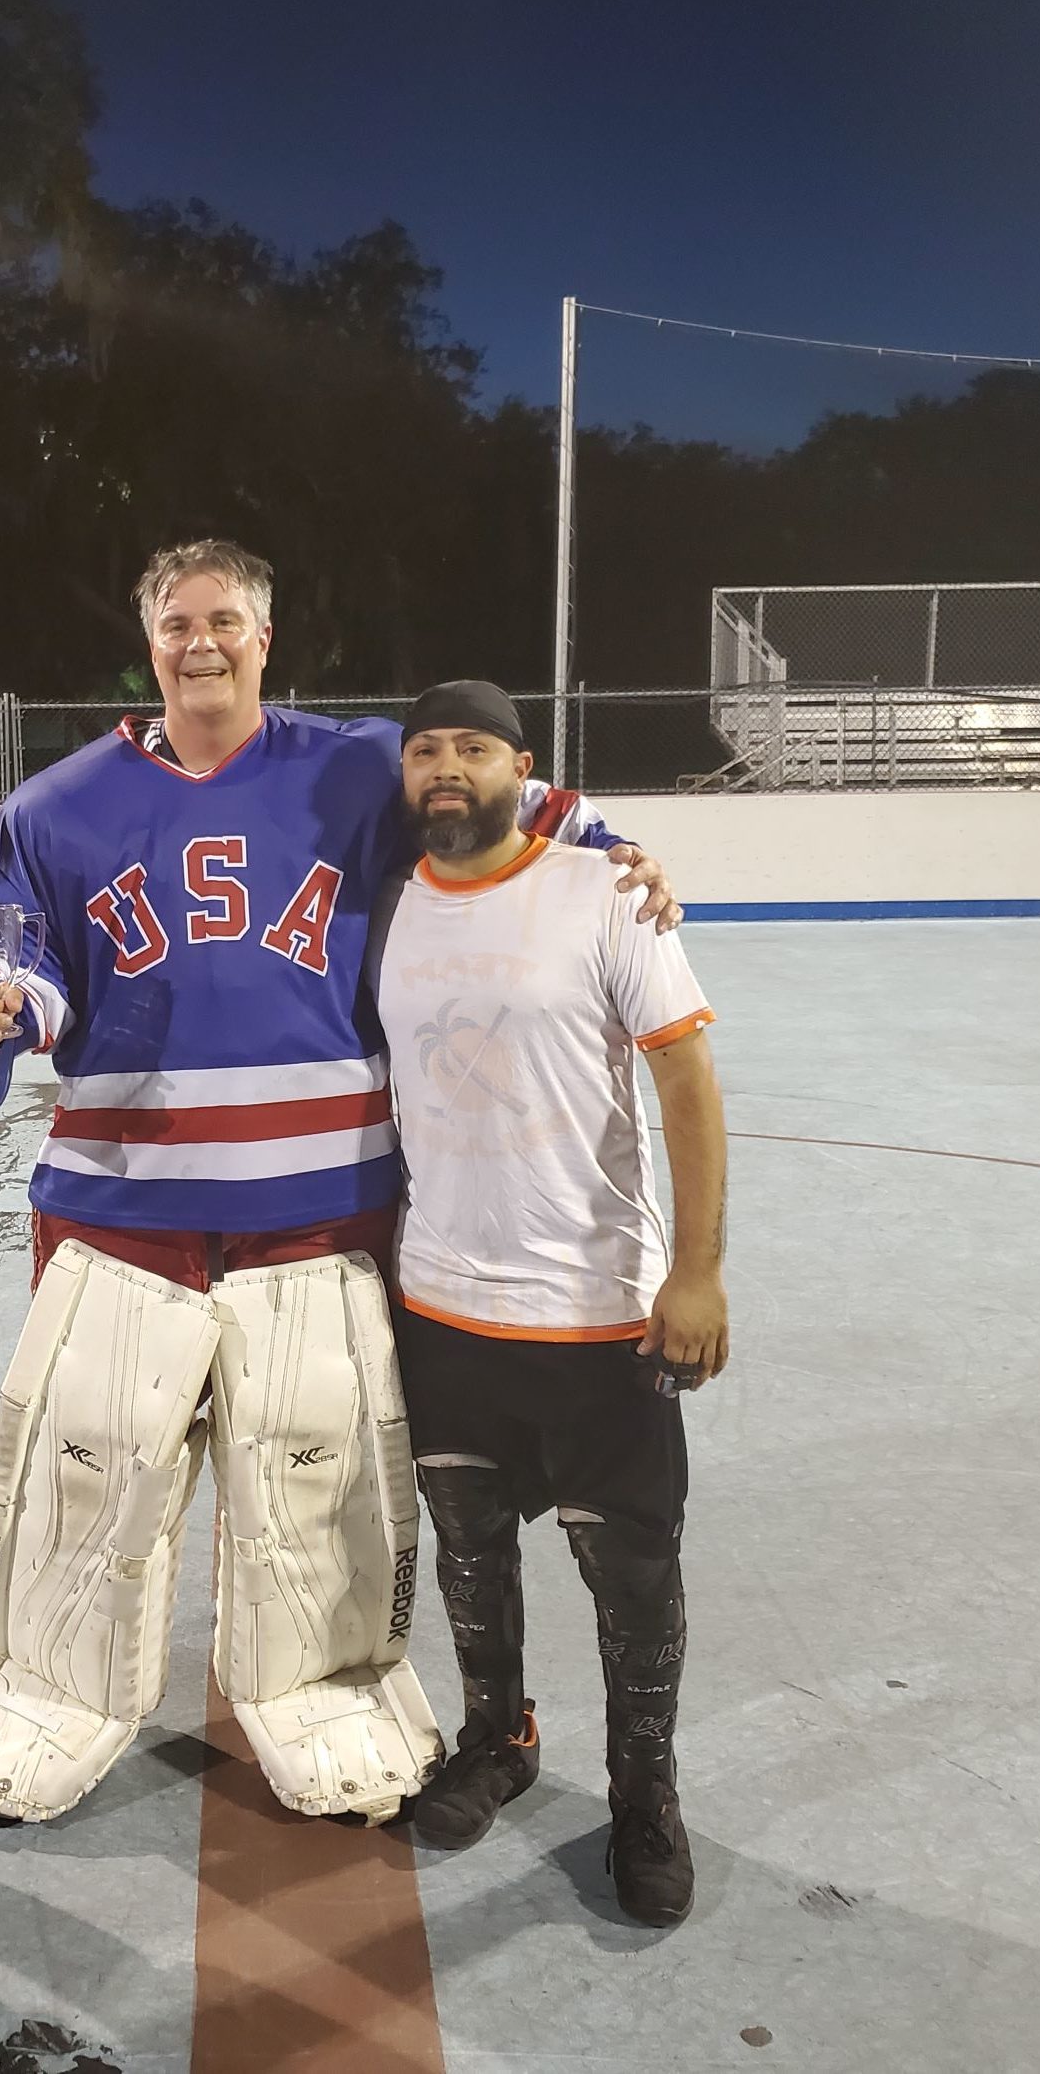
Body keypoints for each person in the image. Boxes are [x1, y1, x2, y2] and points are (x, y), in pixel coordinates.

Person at [0, 540, 683, 1829]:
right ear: (147, 639)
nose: (199, 642)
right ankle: (48, 1689)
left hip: (320, 1214)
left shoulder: (360, 762)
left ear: (266, 638)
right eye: (176, 622)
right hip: (120, 1212)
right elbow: (8, 959)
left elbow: (520, 804)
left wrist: (620, 851)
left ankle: (326, 1686)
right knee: (89, 1468)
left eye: (224, 620)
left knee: (319, 1475)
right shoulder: (49, 808)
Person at [371, 678, 728, 1925]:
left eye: (473, 746)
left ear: (526, 766)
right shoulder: (389, 907)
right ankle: (497, 1739)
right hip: (443, 1304)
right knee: (470, 1554)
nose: (446, 767)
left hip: (594, 1312)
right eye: (425, 750)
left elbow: (687, 1080)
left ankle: (645, 1800)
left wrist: (696, 1270)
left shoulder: (605, 893)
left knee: (632, 1577)